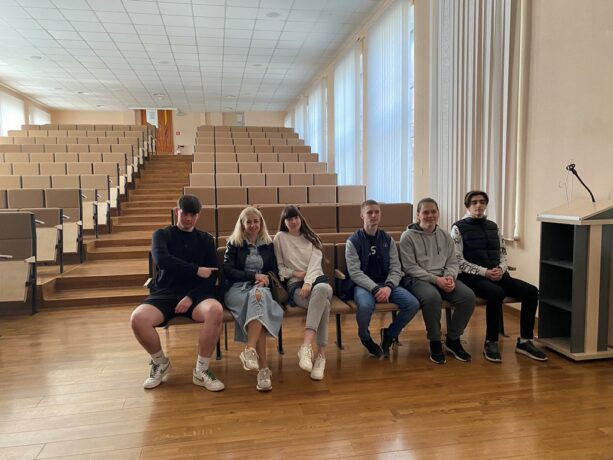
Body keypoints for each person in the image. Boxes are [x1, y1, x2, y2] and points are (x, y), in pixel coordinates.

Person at [130, 195, 224, 391]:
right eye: (184, 213)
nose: (188, 218)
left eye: (193, 214)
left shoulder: (206, 239)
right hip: (165, 292)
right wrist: (195, 269)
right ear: (176, 212)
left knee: (215, 311)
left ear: (198, 216)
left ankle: (201, 370)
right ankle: (160, 363)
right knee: (137, 319)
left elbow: (211, 275)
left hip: (196, 295)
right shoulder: (161, 235)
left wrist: (190, 297)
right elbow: (162, 260)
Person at [450, 190, 548, 362]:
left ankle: (525, 341)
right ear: (467, 206)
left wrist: (501, 269)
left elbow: (503, 254)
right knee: (496, 293)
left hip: (497, 274)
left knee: (531, 291)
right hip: (472, 277)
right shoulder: (458, 228)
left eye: (482, 202)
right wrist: (485, 272)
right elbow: (458, 261)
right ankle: (491, 342)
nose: (478, 205)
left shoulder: (494, 227)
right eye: (474, 202)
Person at [399, 198, 475, 364]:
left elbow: (453, 262)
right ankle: (434, 341)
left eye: (433, 211)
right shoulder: (407, 236)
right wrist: (436, 280)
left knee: (468, 297)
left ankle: (453, 339)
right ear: (418, 215)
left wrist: (450, 277)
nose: (430, 215)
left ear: (438, 213)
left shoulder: (445, 235)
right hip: (418, 279)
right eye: (425, 212)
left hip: (443, 277)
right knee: (432, 298)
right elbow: (409, 267)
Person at [345, 200, 421, 358]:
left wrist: (388, 287)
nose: (374, 215)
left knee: (412, 304)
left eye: (377, 212)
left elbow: (396, 268)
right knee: (365, 306)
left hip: (387, 284)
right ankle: (365, 338)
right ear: (362, 215)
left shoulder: (388, 239)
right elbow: (355, 272)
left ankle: (390, 334)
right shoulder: (353, 241)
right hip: (364, 286)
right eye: (369, 212)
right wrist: (375, 289)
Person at [223, 206, 284, 391]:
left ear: (261, 223)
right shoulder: (234, 243)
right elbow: (228, 270)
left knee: (259, 299)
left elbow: (274, 270)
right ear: (242, 224)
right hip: (237, 289)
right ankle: (263, 369)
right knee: (259, 306)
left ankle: (250, 352)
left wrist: (265, 281)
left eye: (256, 221)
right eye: (248, 222)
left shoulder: (268, 243)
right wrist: (254, 276)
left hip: (260, 288)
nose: (252, 225)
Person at [273, 205, 333, 381]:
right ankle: (321, 356)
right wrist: (294, 273)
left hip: (317, 281)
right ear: (284, 222)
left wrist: (308, 282)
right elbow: (279, 267)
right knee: (324, 305)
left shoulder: (312, 238)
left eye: (296, 218)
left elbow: (315, 266)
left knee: (322, 289)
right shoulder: (280, 238)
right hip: (295, 285)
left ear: (301, 218)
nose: (293, 221)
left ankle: (306, 346)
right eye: (289, 219)